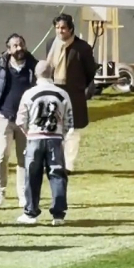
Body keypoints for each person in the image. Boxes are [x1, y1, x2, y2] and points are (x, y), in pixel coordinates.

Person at [0, 33, 37, 210]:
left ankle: (23, 195)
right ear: (8, 49)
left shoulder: (33, 66)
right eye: (15, 45)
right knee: (2, 155)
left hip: (25, 120)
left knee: (24, 158)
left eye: (21, 44)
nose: (19, 48)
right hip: (3, 118)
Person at [16, 60, 74, 226]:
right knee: (57, 175)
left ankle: (31, 212)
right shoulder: (62, 94)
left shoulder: (29, 93)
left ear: (36, 74)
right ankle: (58, 214)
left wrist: (29, 133)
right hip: (55, 139)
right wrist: (61, 134)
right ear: (52, 73)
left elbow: (21, 120)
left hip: (34, 138)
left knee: (32, 176)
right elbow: (69, 120)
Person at [44, 13, 97, 173]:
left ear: (71, 29)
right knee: (54, 129)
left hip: (74, 94)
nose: (60, 31)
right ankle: (55, 162)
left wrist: (82, 88)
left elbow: (90, 71)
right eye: (57, 28)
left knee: (72, 131)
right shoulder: (51, 44)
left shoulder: (82, 47)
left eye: (63, 28)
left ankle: (68, 165)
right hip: (54, 93)